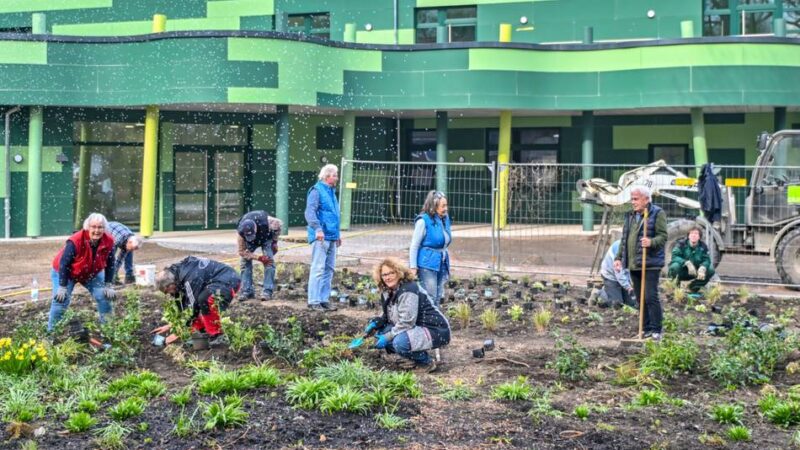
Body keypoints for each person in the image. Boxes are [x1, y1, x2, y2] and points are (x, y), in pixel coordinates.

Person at [364, 257, 451, 373]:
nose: (388, 277)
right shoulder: (387, 291)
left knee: (399, 342)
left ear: (399, 273)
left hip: (434, 329)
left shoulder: (408, 289)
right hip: (415, 327)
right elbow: (388, 314)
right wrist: (377, 322)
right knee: (383, 332)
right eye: (384, 275)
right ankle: (412, 358)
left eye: (391, 273)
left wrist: (388, 337)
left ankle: (426, 362)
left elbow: (407, 322)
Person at [614, 185, 668, 340]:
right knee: (640, 298)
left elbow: (663, 236)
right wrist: (618, 257)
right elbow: (624, 239)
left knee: (650, 296)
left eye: (636, 199)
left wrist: (651, 242)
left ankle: (656, 330)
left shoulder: (657, 213)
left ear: (646, 199)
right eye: (632, 199)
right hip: (634, 263)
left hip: (650, 262)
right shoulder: (630, 215)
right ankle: (645, 329)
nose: (633, 202)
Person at [48, 213, 116, 332]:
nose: (96, 230)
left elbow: (111, 264)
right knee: (60, 301)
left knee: (104, 297)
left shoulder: (109, 241)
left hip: (91, 272)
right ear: (87, 227)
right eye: (93, 227)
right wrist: (62, 286)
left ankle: (108, 330)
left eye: (100, 227)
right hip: (66, 273)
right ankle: (52, 334)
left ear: (104, 228)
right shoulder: (76, 240)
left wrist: (108, 284)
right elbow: (64, 263)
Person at [154, 256, 241, 346]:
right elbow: (183, 305)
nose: (169, 293)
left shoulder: (189, 277)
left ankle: (218, 336)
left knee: (205, 299)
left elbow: (192, 307)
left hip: (229, 280)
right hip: (214, 281)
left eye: (167, 291)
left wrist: (178, 333)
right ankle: (202, 332)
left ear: (170, 284)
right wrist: (173, 325)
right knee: (195, 304)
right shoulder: (176, 274)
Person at [305, 164, 341, 312]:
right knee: (318, 268)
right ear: (327, 176)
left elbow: (334, 215)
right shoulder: (316, 191)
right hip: (321, 236)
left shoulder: (331, 192)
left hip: (331, 236)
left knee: (329, 269)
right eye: (335, 175)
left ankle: (323, 299)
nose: (337, 178)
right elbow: (310, 212)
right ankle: (313, 301)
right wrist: (318, 229)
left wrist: (337, 235)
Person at [409, 190, 451, 308]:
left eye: (446, 205)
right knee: (430, 296)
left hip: (441, 262)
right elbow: (414, 245)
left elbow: (444, 241)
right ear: (434, 206)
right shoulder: (423, 221)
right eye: (443, 206)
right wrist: (413, 267)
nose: (446, 209)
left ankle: (435, 318)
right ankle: (426, 318)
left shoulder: (444, 219)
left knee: (438, 296)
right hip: (427, 264)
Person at [236, 211, 282, 301]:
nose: (252, 237)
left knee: (269, 262)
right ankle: (247, 291)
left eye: (252, 235)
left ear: (255, 228)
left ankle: (267, 292)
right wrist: (259, 258)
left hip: (266, 238)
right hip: (249, 243)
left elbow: (279, 226)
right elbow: (242, 252)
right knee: (244, 263)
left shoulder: (267, 222)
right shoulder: (240, 232)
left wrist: (275, 242)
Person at [668, 225, 715, 292]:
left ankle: (693, 288)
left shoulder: (703, 246)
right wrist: (686, 263)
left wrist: (703, 267)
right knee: (674, 266)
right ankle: (675, 290)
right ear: (688, 236)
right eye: (691, 233)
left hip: (696, 272)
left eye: (696, 234)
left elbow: (707, 260)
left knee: (711, 269)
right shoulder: (681, 244)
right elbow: (674, 257)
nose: (693, 235)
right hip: (682, 271)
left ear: (699, 237)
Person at [593, 239, 634, 308]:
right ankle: (600, 294)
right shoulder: (619, 249)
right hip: (611, 276)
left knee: (631, 304)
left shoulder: (635, 247)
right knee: (617, 304)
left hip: (624, 275)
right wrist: (628, 287)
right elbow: (619, 273)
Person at [106, 221, 142, 285]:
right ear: (129, 242)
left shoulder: (132, 240)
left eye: (133, 249)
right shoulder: (118, 239)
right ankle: (110, 277)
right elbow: (111, 257)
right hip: (108, 230)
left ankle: (128, 276)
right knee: (110, 257)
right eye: (132, 248)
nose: (132, 250)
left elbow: (120, 259)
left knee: (128, 253)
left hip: (120, 233)